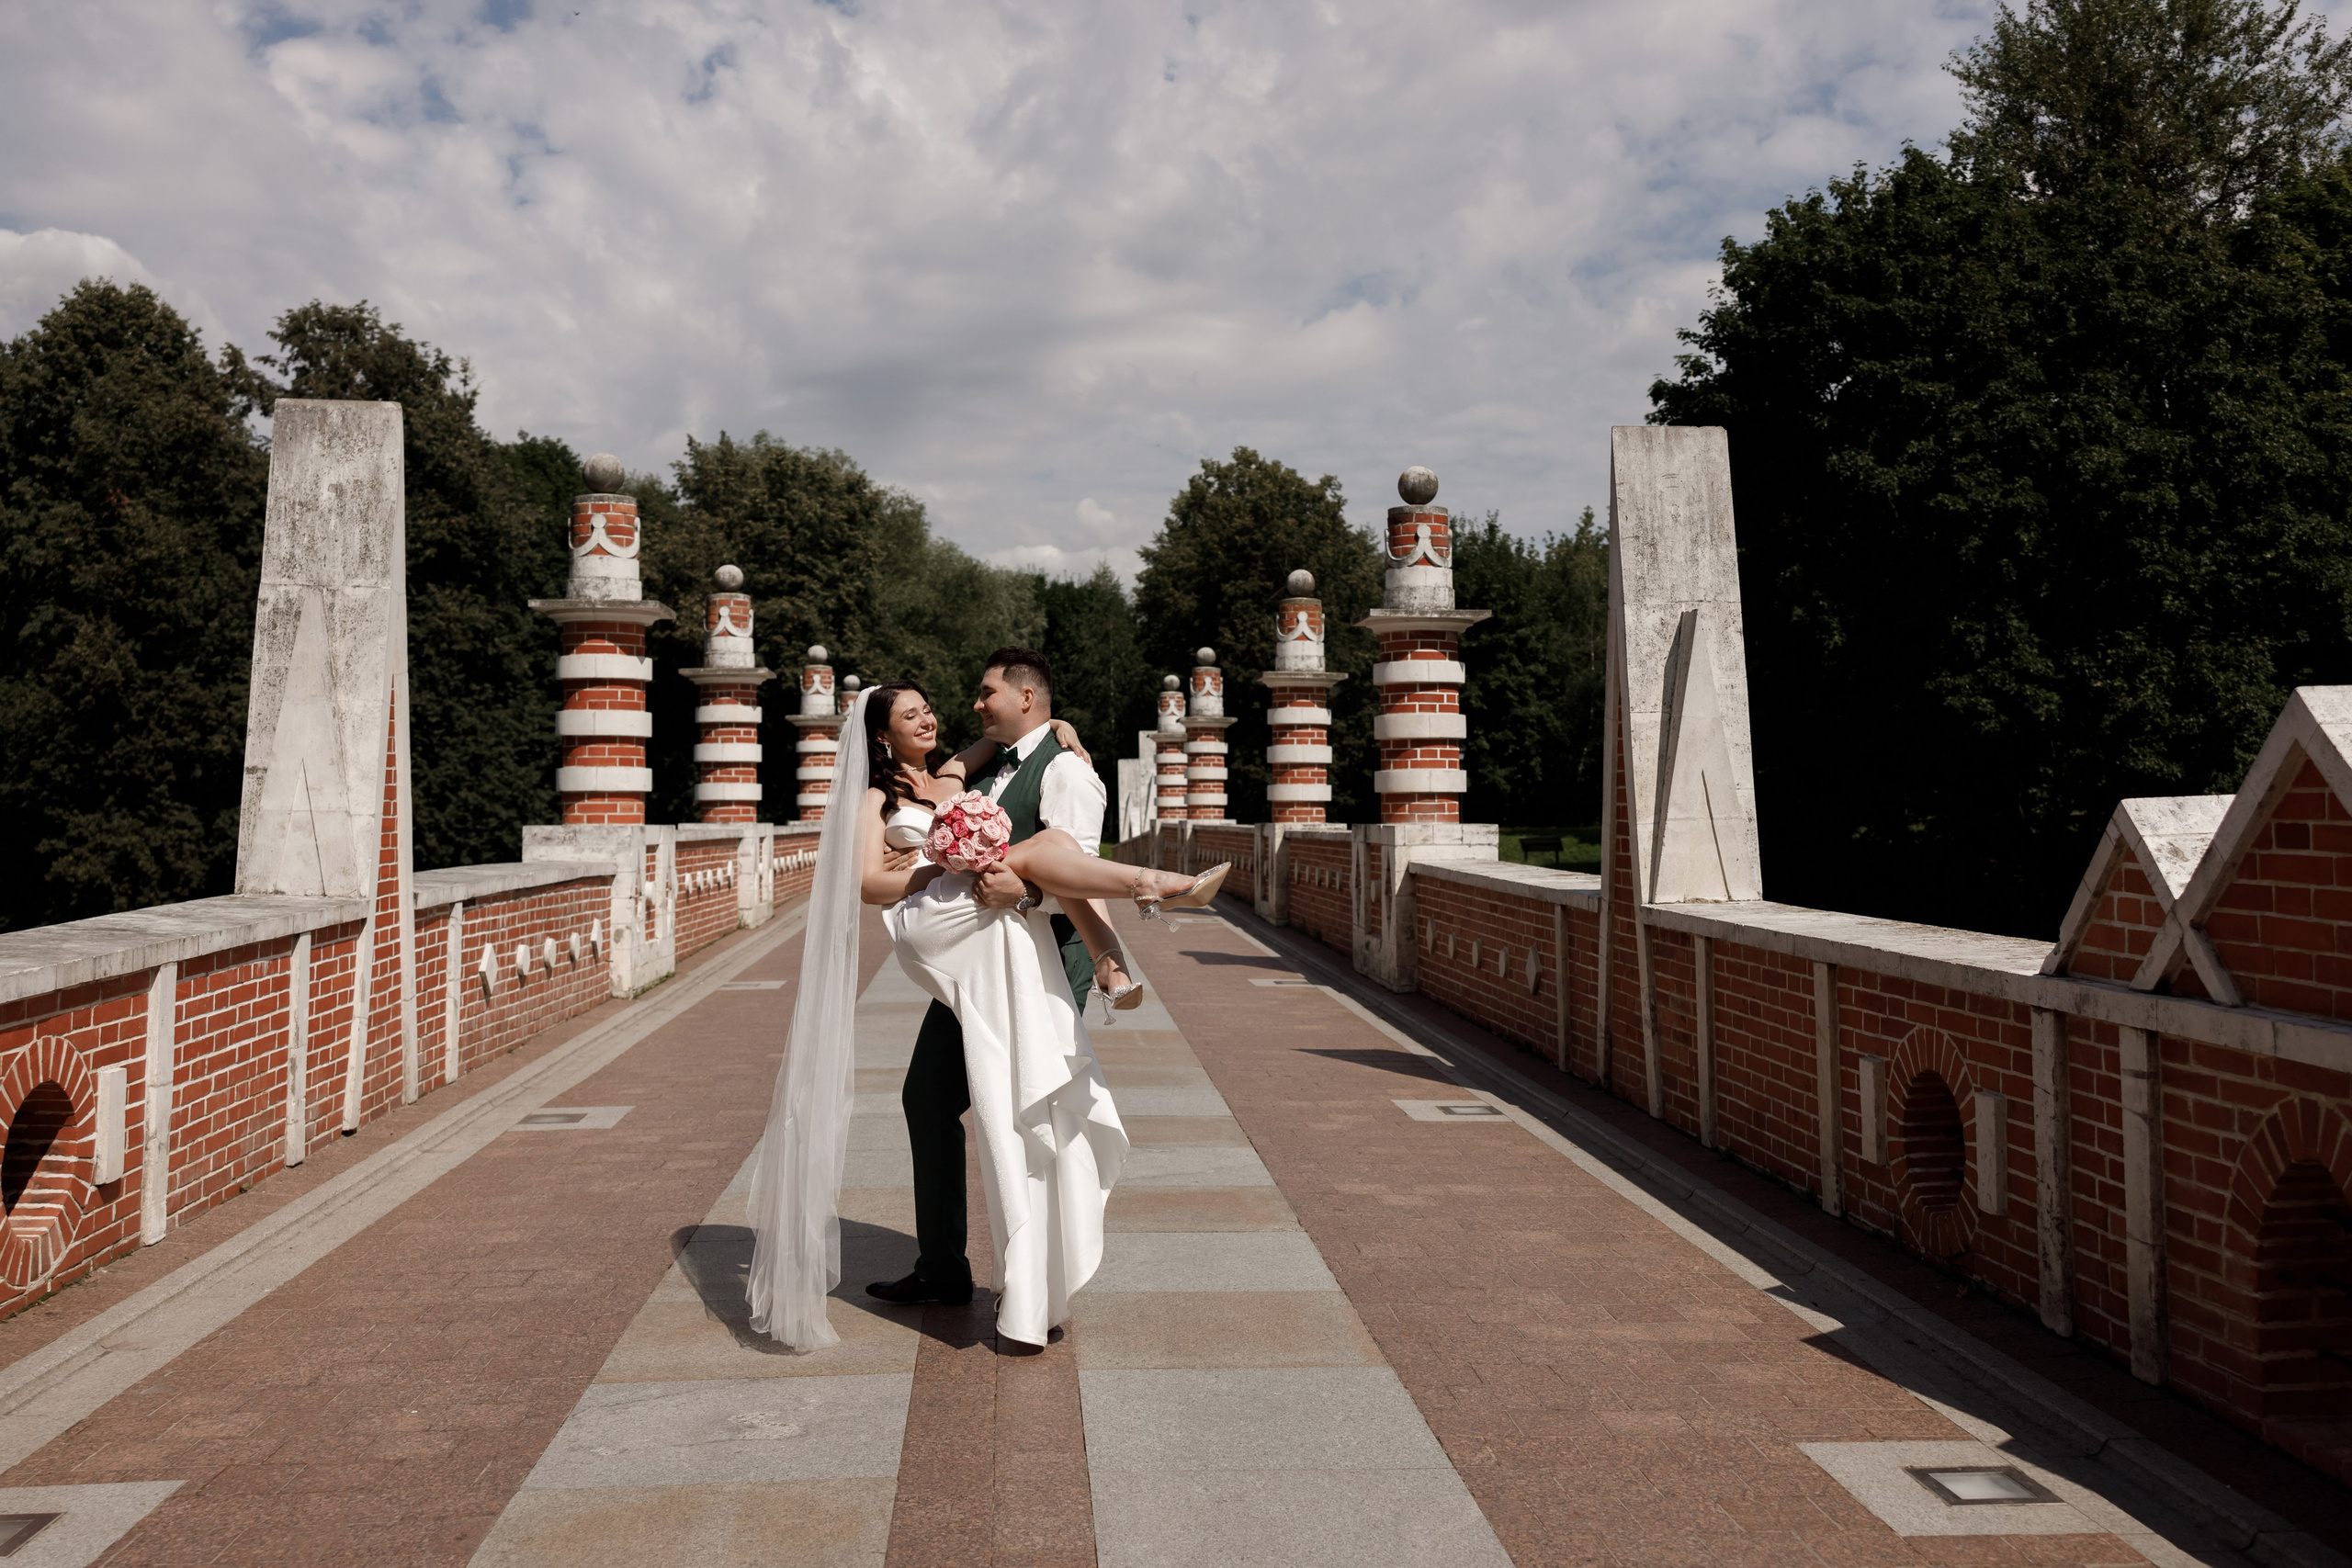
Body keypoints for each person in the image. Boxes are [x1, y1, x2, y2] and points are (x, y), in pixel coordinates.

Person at [744, 653, 1225, 1352]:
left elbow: (1060, 847)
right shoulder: (892, 790)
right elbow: (870, 884)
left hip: (1008, 951)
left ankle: (986, 1271)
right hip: (944, 919)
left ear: (1022, 696)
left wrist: (1051, 727)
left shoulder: (1024, 767)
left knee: (969, 1105)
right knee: (1006, 1104)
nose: (942, 715)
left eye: (971, 696)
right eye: (912, 714)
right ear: (882, 735)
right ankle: (1145, 903)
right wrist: (948, 861)